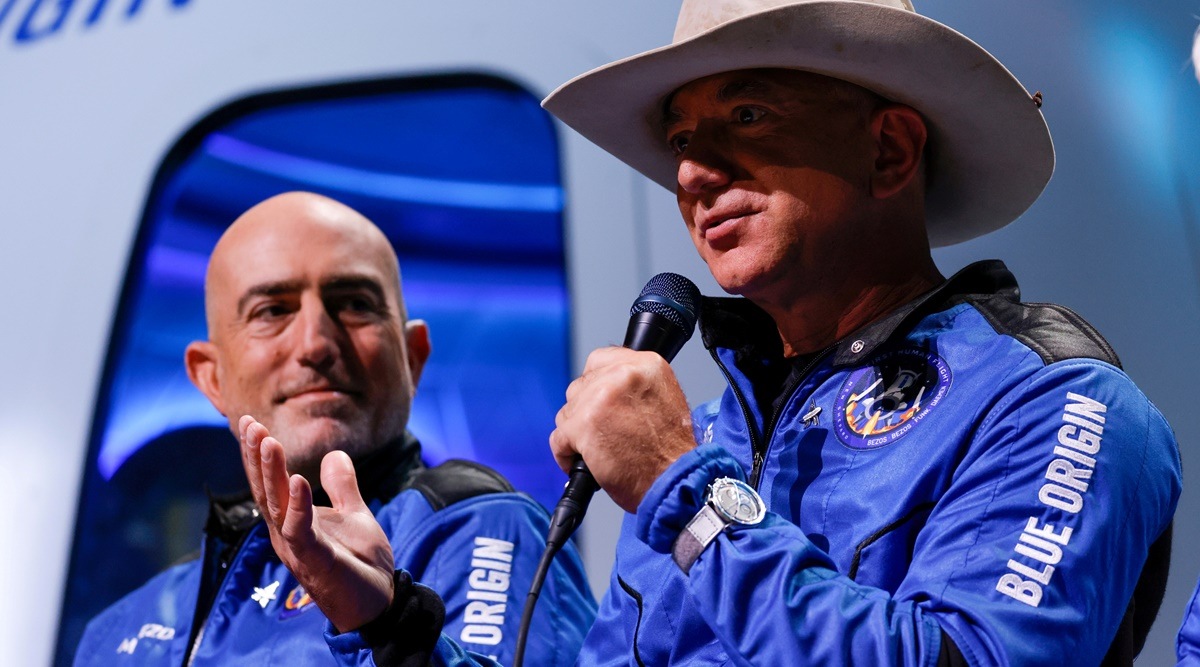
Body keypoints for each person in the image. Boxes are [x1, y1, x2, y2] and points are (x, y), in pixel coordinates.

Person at [540, 0, 1181, 664]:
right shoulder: (696, 439)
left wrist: (686, 497)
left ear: (890, 149)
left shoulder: (1053, 400)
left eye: (748, 115)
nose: (691, 172)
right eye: (680, 140)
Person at [72, 191, 595, 666]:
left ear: (413, 359)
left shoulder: (485, 527)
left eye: (355, 304)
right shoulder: (117, 631)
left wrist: (392, 628)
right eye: (272, 310)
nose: (316, 343)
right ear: (212, 378)